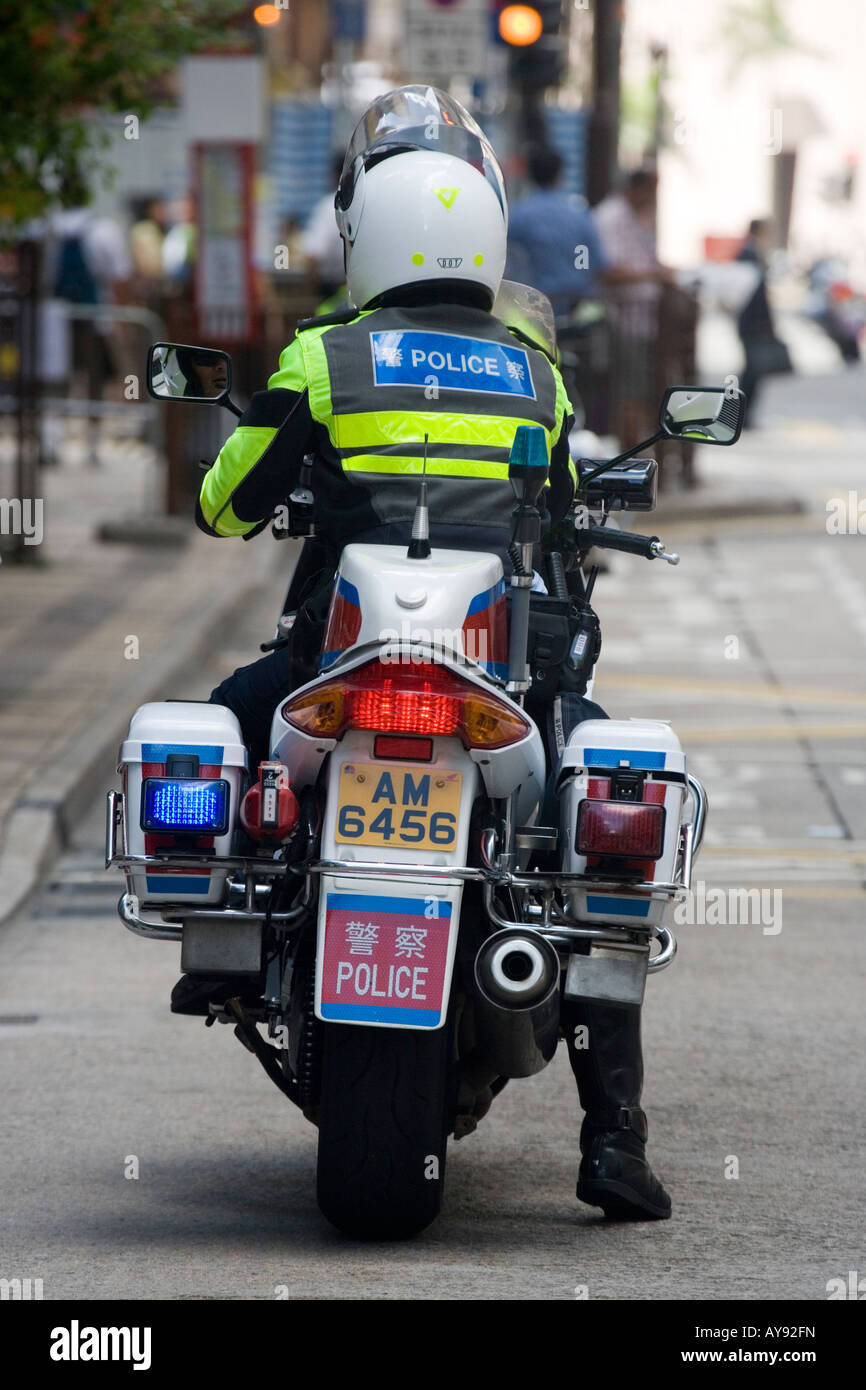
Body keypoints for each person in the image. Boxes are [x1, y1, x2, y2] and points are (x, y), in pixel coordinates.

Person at [192, 85, 671, 1222]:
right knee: (596, 832)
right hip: (491, 675)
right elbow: (558, 516)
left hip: (336, 667)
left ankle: (238, 925)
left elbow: (223, 504)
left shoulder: (321, 362)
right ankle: (613, 1136)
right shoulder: (532, 374)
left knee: (222, 713)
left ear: (363, 224)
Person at [594, 168, 672, 444]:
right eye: (651, 190)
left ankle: (634, 444)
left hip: (641, 319)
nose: (653, 197)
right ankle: (628, 447)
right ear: (637, 188)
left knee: (638, 387)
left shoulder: (634, 216)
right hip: (623, 317)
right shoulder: (612, 216)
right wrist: (654, 274)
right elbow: (609, 270)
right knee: (628, 387)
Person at [506, 145, 609, 319]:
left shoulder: (520, 215)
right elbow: (596, 263)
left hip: (534, 309)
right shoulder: (579, 213)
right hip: (577, 309)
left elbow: (506, 259)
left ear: (529, 175)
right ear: (559, 175)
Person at [736, 219, 789, 423]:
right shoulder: (748, 254)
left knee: (753, 371)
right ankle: (740, 415)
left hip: (754, 322)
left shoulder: (753, 252)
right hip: (752, 323)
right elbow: (750, 293)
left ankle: (744, 415)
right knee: (751, 371)